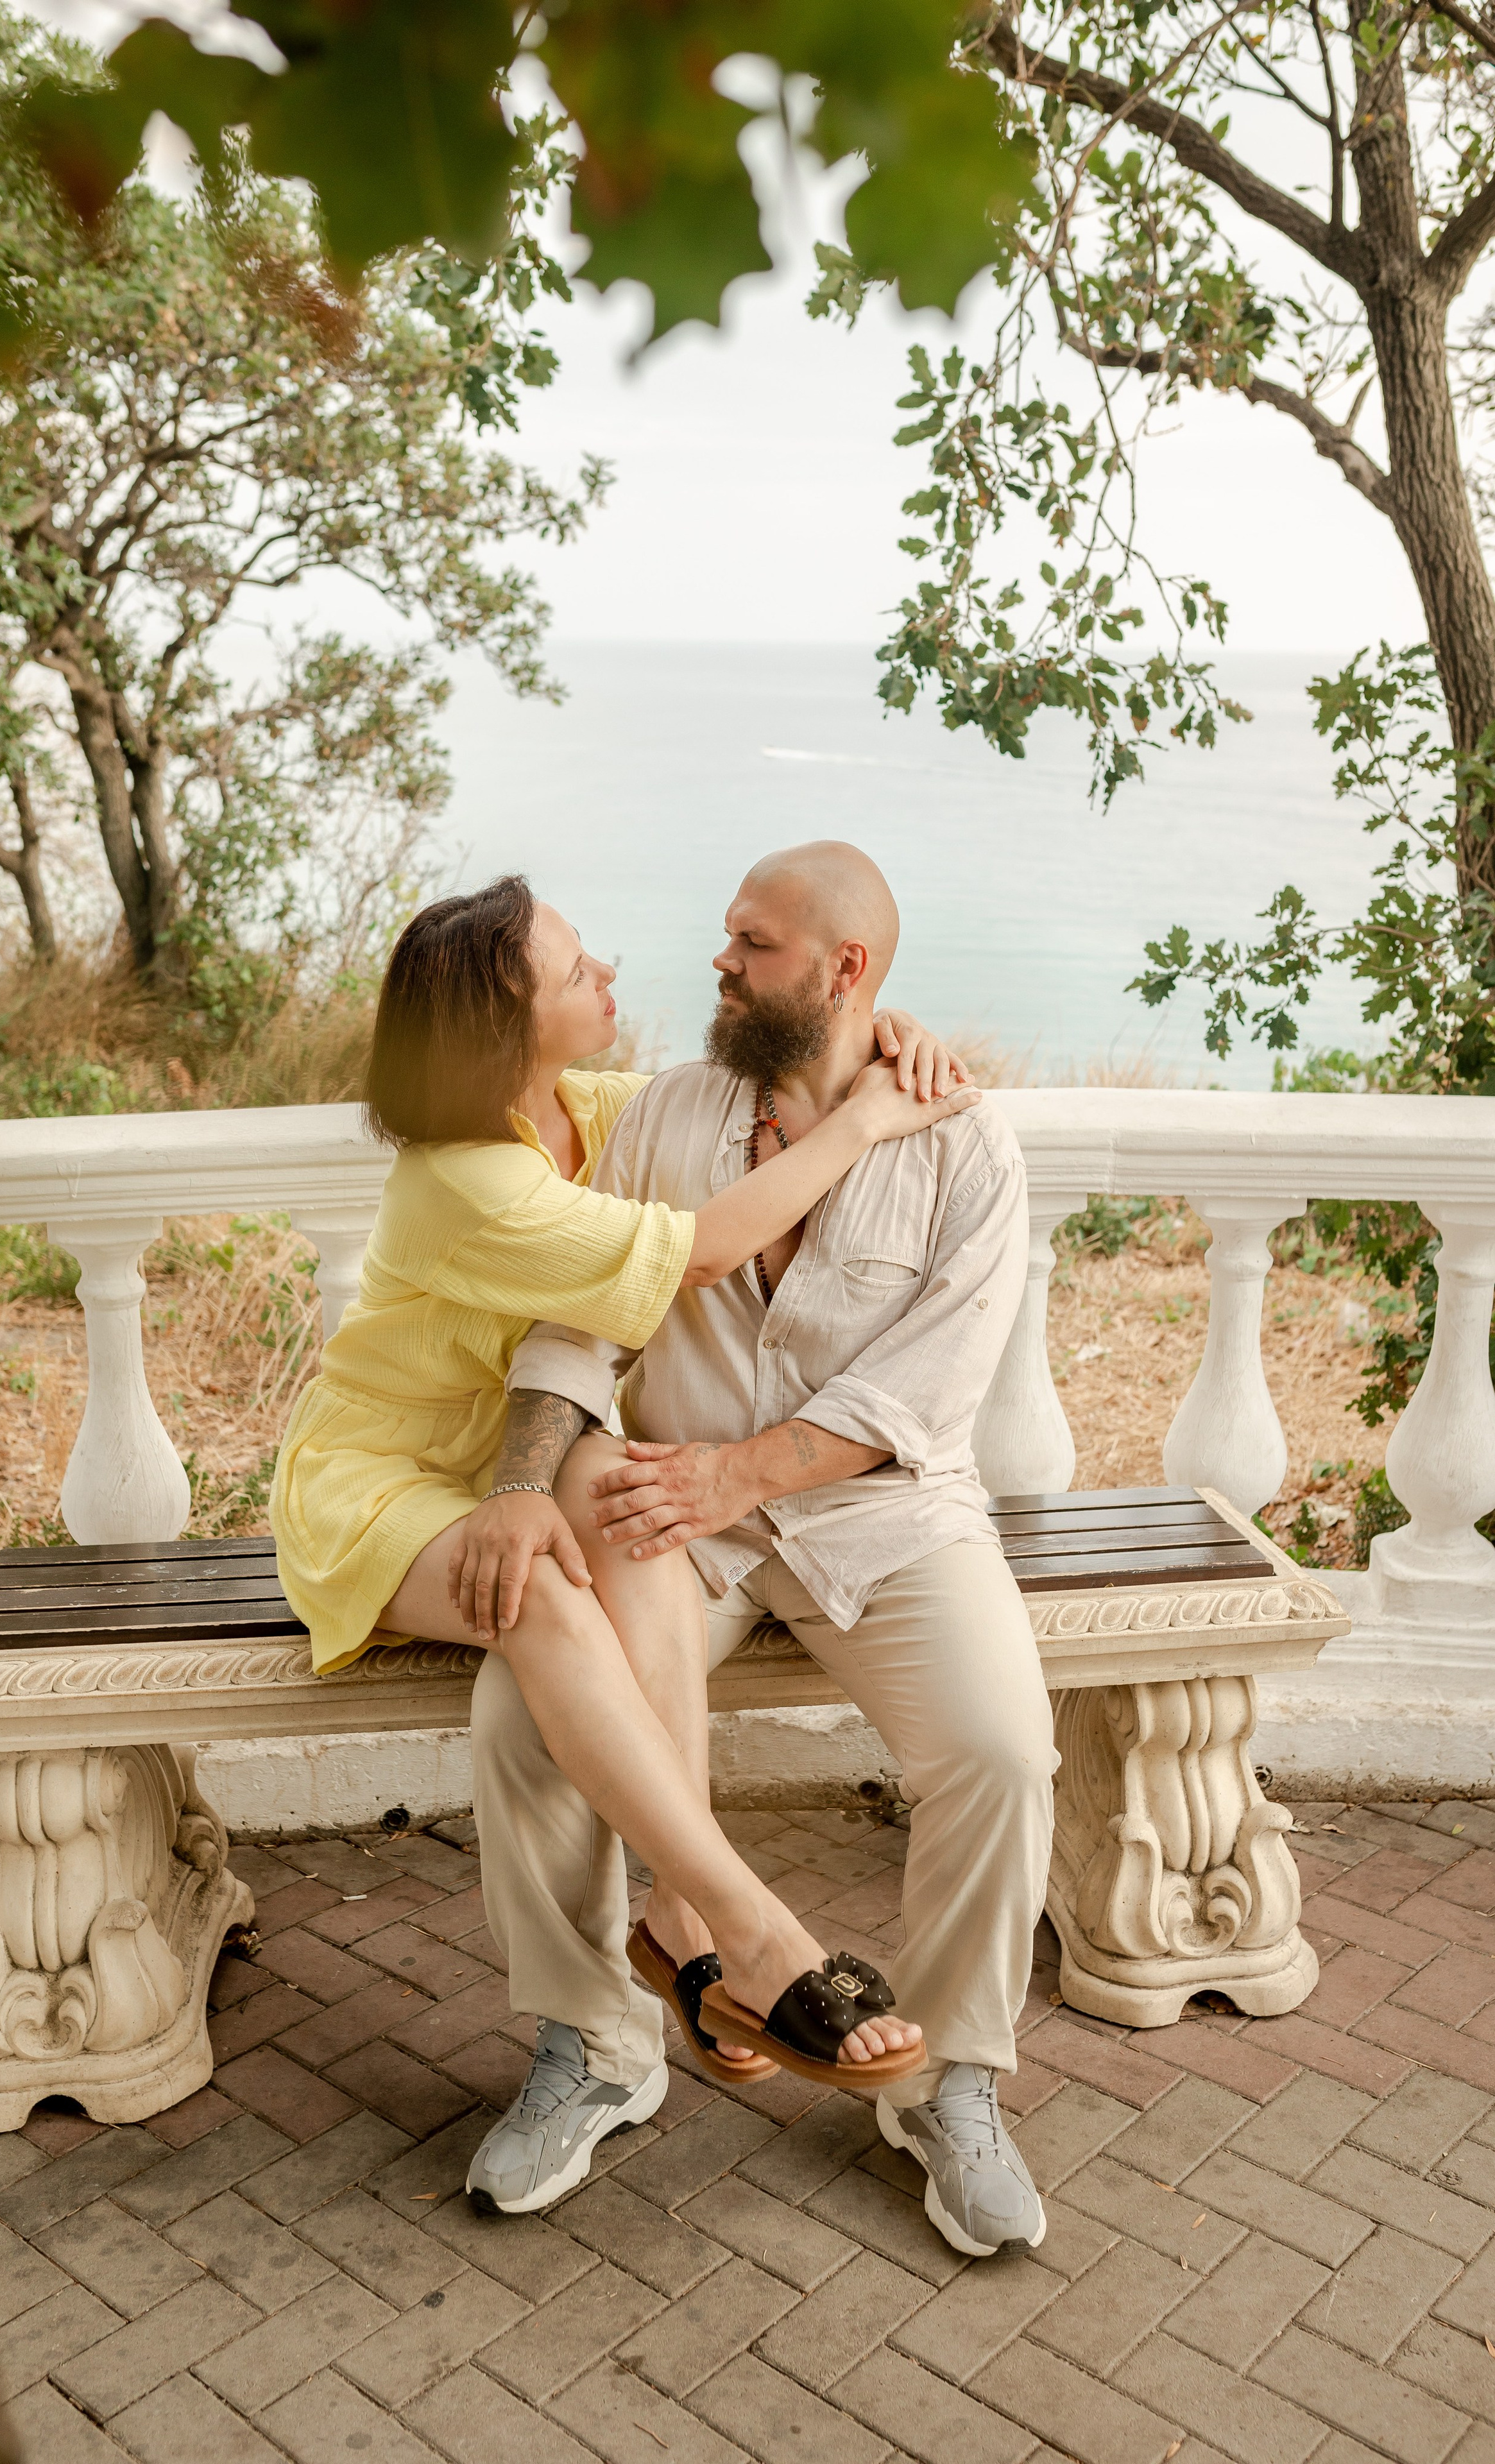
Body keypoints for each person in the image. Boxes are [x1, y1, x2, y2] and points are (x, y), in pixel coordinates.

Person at [271, 874, 982, 2203]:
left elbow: (770, 1070)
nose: (607, 972)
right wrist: (872, 1119)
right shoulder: (462, 1178)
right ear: (504, 1024)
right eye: (573, 969)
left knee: (634, 1504)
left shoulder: (583, 1109)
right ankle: (740, 1927)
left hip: (519, 1458)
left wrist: (883, 1031)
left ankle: (673, 1925)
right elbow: (701, 1248)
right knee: (543, 1596)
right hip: (385, 1477)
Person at [458, 841, 1057, 2258]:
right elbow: (579, 1325)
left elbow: (923, 1395)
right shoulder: (669, 1114)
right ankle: (597, 2044)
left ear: (845, 971)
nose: (719, 962)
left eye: (753, 943)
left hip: (886, 1520)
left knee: (1000, 1749)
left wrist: (737, 1472)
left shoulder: (965, 1145)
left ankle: (948, 2079)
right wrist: (525, 1484)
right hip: (678, 1523)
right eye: (728, 936)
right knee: (518, 1722)